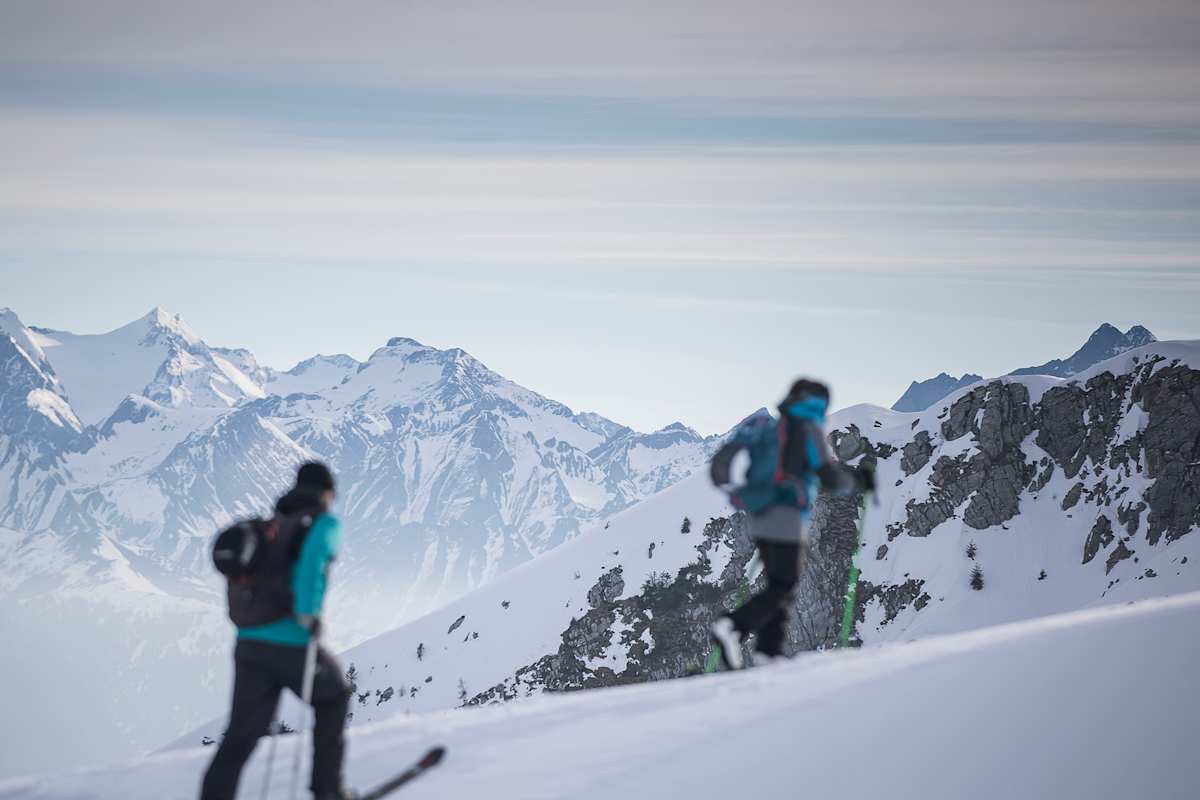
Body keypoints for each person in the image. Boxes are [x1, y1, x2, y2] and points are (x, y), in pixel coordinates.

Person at [201, 461, 354, 800]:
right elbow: (312, 567)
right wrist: (307, 615)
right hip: (291, 643)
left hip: (248, 645)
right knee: (334, 698)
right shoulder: (323, 523)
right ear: (326, 493)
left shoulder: (272, 525)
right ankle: (327, 791)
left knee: (241, 735)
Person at [708, 379, 873, 669]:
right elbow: (829, 477)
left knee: (779, 583)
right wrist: (859, 481)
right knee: (784, 585)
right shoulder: (808, 431)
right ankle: (733, 626)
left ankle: (767, 652)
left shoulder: (771, 428)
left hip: (758, 514)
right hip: (786, 516)